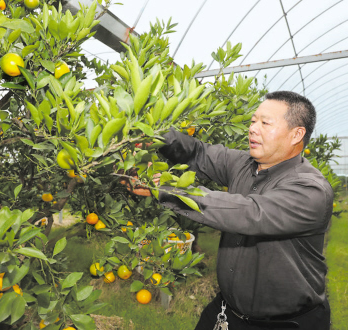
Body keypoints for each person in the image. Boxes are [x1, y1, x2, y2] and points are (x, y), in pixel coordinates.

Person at [130, 91, 333, 329]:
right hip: (227, 311)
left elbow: (250, 213)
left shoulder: (311, 190)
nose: (253, 129)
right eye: (253, 121)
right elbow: (198, 153)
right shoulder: (244, 165)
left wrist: (170, 191)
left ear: (296, 134)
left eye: (265, 123)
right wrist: (154, 135)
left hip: (286, 323)